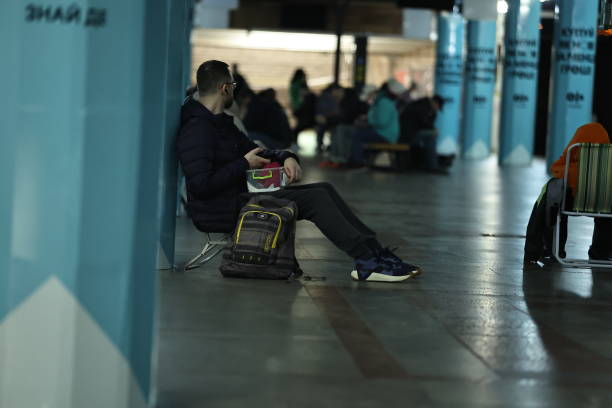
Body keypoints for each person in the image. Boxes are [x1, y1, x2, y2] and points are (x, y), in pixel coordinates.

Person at [177, 60, 421, 282]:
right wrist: (243, 163)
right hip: (219, 209)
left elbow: (256, 150)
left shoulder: (220, 123)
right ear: (224, 88)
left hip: (237, 197)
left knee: (323, 188)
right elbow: (201, 186)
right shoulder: (197, 129)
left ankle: (375, 252)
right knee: (315, 199)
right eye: (233, 85)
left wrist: (287, 157)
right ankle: (367, 260)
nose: (234, 90)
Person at [524, 123, 612, 265]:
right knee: (606, 207)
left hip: (572, 205)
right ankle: (601, 252)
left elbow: (556, 170)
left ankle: (553, 250)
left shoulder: (569, 170)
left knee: (554, 196)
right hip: (605, 206)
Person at [349, 79, 405, 166]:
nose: (368, 99)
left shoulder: (383, 102)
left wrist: (368, 120)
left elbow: (382, 122)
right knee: (357, 132)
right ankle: (356, 159)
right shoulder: (381, 102)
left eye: (369, 96)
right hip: (384, 133)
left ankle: (357, 162)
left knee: (357, 135)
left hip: (386, 135)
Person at [398, 95, 448, 172]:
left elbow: (427, 124)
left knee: (430, 138)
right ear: (434, 103)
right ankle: (432, 165)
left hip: (412, 134)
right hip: (406, 135)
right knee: (431, 135)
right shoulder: (420, 106)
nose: (437, 109)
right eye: (438, 107)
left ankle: (431, 164)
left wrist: (433, 115)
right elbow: (423, 123)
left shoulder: (426, 107)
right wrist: (433, 129)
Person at [315, 84, 344, 153]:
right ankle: (324, 147)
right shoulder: (327, 98)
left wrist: (326, 118)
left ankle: (323, 147)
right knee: (322, 128)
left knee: (330, 129)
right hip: (328, 120)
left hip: (331, 120)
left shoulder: (327, 98)